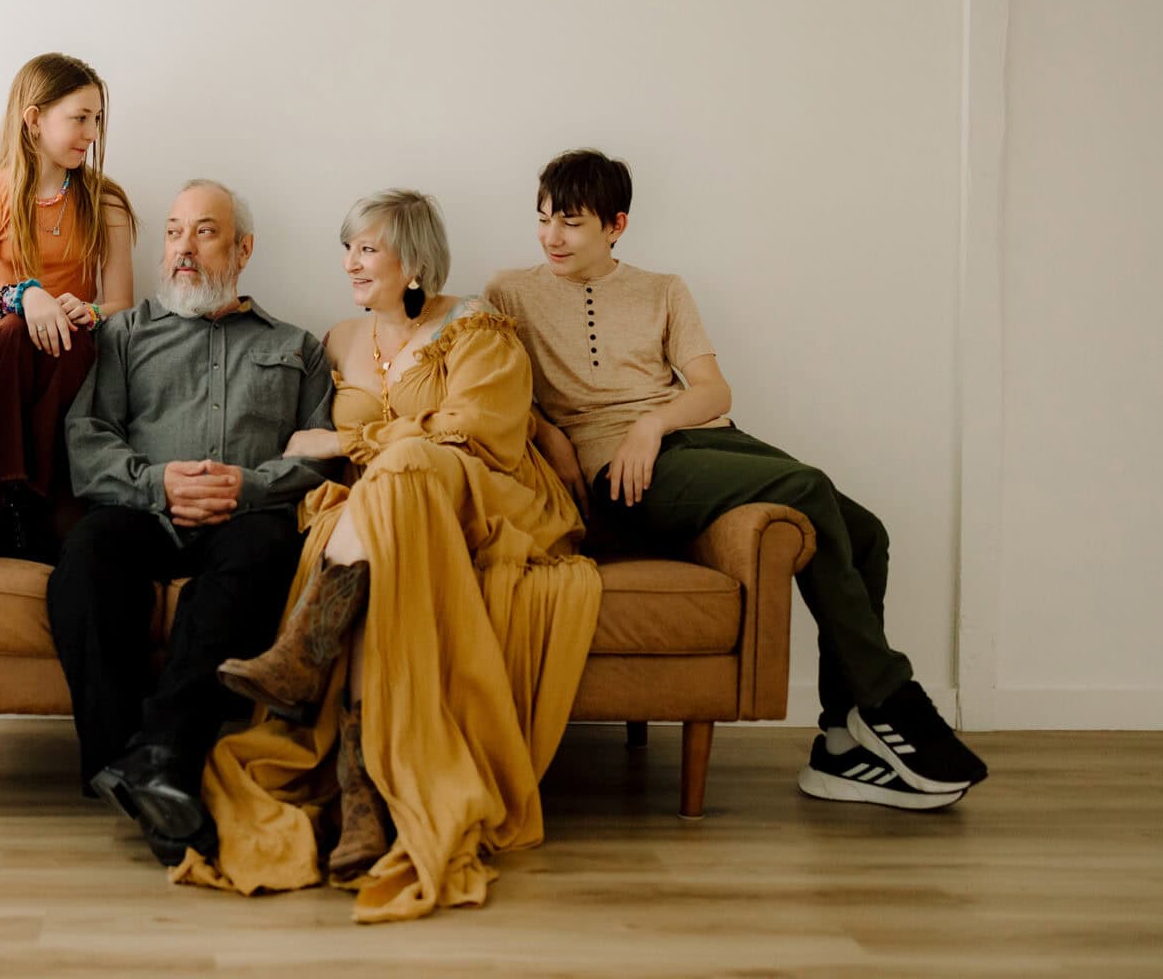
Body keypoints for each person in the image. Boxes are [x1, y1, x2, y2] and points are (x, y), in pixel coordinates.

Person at [486, 148, 988, 812]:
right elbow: (493, 385)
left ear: (616, 225)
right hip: (620, 474)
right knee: (807, 487)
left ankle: (841, 742)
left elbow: (713, 390)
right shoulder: (510, 293)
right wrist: (552, 433)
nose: (551, 236)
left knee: (867, 532)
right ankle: (891, 700)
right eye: (544, 218)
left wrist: (652, 424)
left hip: (694, 441)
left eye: (571, 223)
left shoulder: (664, 289)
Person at [180, 189, 603, 924]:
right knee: (379, 516)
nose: (351, 262)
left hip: (478, 501)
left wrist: (351, 441)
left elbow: (476, 433)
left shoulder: (476, 327)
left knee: (404, 466)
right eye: (347, 247)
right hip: (376, 518)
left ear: (413, 260)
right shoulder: (339, 339)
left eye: (368, 249)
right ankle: (360, 787)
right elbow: (295, 439)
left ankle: (304, 654)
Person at [49, 179, 334, 866]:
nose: (183, 247)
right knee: (87, 554)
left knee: (265, 553)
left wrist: (249, 484)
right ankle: (138, 763)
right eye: (174, 231)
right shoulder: (123, 336)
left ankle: (160, 756)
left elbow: (322, 457)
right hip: (143, 511)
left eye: (204, 232)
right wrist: (156, 483)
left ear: (242, 250)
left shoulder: (298, 348)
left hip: (245, 518)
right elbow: (88, 438)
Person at [0, 53, 136, 560]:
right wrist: (25, 295)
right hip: (0, 363)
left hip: (69, 358)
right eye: (80, 118)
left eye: (96, 119)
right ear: (34, 119)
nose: (91, 133)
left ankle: (20, 501)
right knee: (14, 329)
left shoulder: (105, 201)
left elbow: (122, 306)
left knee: (69, 337)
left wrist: (89, 312)